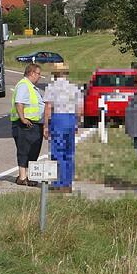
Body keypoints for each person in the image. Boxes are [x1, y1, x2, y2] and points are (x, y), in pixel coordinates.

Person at [43, 62, 83, 193]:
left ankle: (58, 182)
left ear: (55, 74)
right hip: (70, 118)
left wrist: (46, 126)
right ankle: (67, 182)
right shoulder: (74, 88)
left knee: (57, 151)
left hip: (58, 118)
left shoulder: (51, 88)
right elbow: (80, 108)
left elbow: (48, 107)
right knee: (69, 152)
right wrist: (77, 122)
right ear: (66, 74)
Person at [11, 63, 45, 186]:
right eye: (38, 74)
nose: (39, 77)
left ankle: (30, 176)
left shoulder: (30, 87)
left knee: (33, 150)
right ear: (31, 73)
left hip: (34, 124)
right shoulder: (24, 85)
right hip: (25, 125)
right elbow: (19, 102)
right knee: (24, 150)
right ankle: (22, 177)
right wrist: (23, 119)